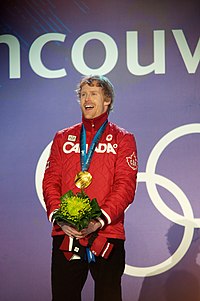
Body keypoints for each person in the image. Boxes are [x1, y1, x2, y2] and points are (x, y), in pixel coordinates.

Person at [42, 75, 138, 301]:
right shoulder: (62, 137)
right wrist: (61, 219)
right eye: (83, 94)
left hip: (106, 233)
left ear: (107, 101)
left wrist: (98, 220)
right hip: (67, 234)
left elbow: (125, 186)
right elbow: (50, 181)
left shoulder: (123, 139)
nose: (87, 98)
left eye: (93, 93)